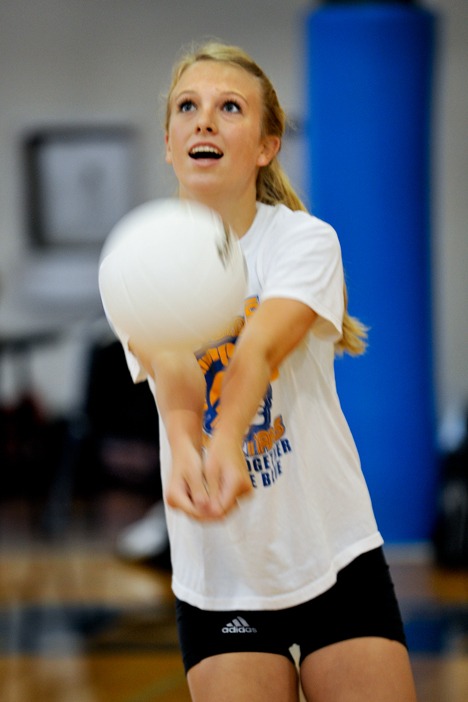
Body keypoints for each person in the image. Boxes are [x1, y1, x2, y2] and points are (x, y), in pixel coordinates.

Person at [108, 41, 418, 701]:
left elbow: (259, 349)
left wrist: (223, 444)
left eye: (230, 108)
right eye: (188, 107)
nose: (204, 121)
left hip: (334, 554)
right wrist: (188, 446)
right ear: (168, 142)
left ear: (266, 146)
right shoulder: (140, 259)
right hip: (220, 575)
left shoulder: (305, 241)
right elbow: (174, 372)